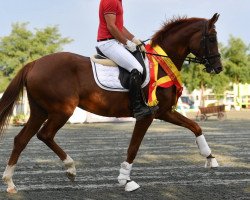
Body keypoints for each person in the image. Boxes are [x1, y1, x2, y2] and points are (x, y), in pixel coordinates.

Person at [97, 0, 154, 120]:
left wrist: (134, 39)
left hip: (115, 42)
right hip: (108, 43)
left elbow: (120, 27)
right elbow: (111, 27)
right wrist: (127, 43)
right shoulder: (111, 0)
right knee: (136, 68)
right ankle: (137, 108)